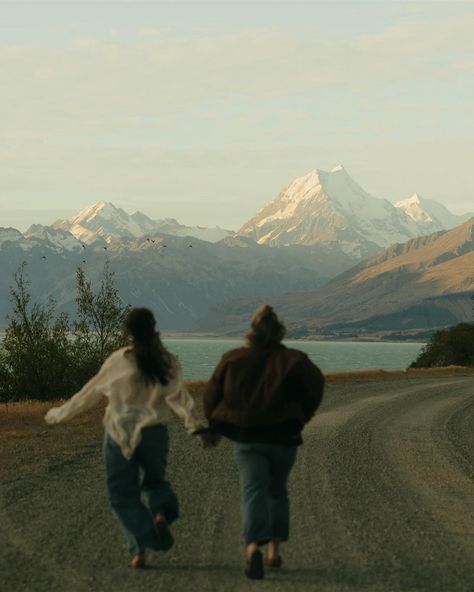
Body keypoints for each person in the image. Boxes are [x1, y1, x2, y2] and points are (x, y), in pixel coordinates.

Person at [45, 307, 204, 569]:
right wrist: (194, 427)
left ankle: (139, 549)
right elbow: (180, 400)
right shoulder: (167, 361)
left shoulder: (117, 360)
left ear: (128, 332)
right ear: (154, 328)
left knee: (122, 494)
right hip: (154, 433)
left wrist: (58, 415)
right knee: (155, 482)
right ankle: (160, 513)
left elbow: (89, 393)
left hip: (118, 432)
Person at [202, 304, 324, 579]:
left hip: (248, 438)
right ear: (279, 332)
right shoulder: (295, 360)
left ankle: (253, 548)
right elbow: (315, 388)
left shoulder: (233, 359)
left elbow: (211, 395)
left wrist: (215, 423)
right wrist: (301, 417)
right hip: (284, 438)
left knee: (253, 491)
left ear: (252, 332)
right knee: (277, 491)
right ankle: (274, 552)